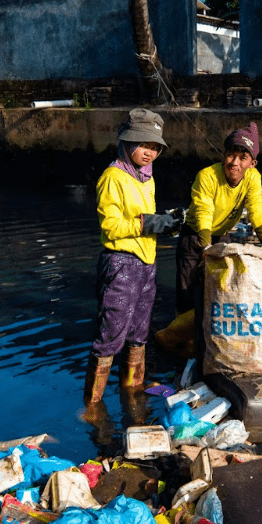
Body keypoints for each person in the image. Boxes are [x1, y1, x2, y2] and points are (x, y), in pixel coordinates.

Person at [84, 108, 181, 404]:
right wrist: (149, 223)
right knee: (110, 335)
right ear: (127, 143)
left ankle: (132, 393)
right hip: (120, 264)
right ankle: (92, 405)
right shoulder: (113, 177)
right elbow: (111, 227)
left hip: (146, 264)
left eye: (154, 147)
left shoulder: (147, 178)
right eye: (143, 145)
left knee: (139, 334)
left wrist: (165, 223)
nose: (149, 152)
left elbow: (145, 221)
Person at [175, 122, 262, 315]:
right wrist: (205, 246)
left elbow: (257, 210)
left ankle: (211, 329)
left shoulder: (252, 177)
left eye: (243, 158)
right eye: (231, 155)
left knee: (220, 289)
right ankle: (183, 329)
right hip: (195, 236)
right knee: (187, 292)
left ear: (252, 163)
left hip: (222, 235)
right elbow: (204, 210)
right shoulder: (207, 176)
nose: (235, 162)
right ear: (224, 155)